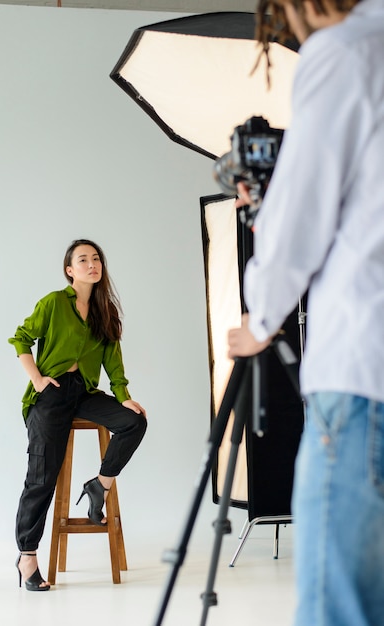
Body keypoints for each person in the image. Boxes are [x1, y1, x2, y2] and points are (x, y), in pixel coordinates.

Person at [228, 1, 384, 624]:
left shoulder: (344, 51)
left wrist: (260, 320)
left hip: (361, 372)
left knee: (336, 606)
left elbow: (299, 227)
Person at [9, 239, 147, 591]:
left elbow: (114, 365)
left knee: (134, 422)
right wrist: (38, 380)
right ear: (70, 270)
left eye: (96, 258)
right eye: (82, 259)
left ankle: (99, 485)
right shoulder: (55, 303)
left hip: (84, 393)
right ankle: (27, 556)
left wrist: (124, 397)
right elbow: (21, 339)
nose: (92, 264)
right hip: (52, 395)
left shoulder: (105, 312)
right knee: (42, 476)